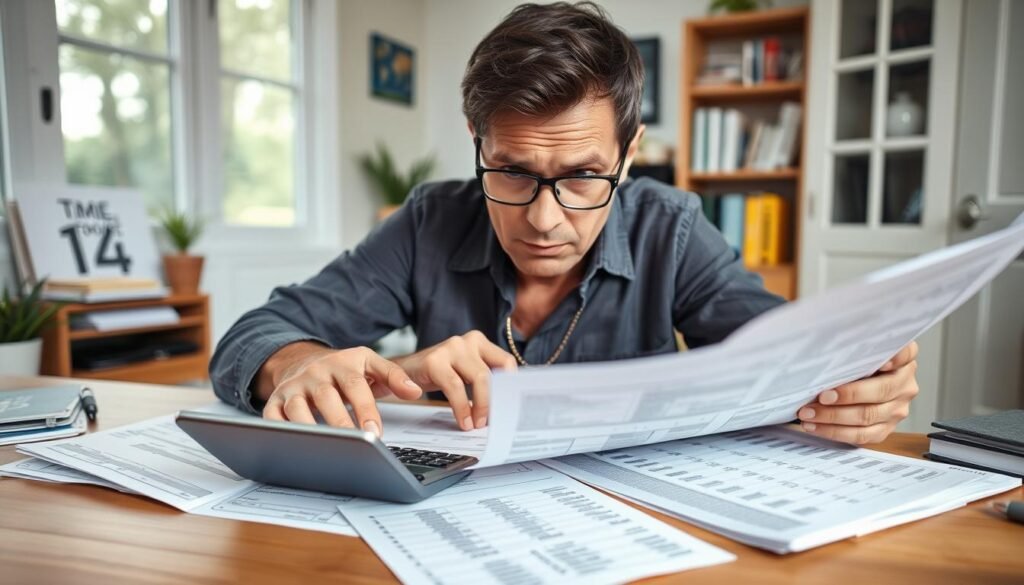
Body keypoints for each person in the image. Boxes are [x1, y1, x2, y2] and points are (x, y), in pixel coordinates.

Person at [211, 2, 919, 445]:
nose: (545, 220)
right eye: (513, 171)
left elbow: (782, 355)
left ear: (630, 153)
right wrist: (302, 365)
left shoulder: (669, 229)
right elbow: (248, 338)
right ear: (476, 141)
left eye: (582, 176)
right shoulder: (429, 219)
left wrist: (847, 385)